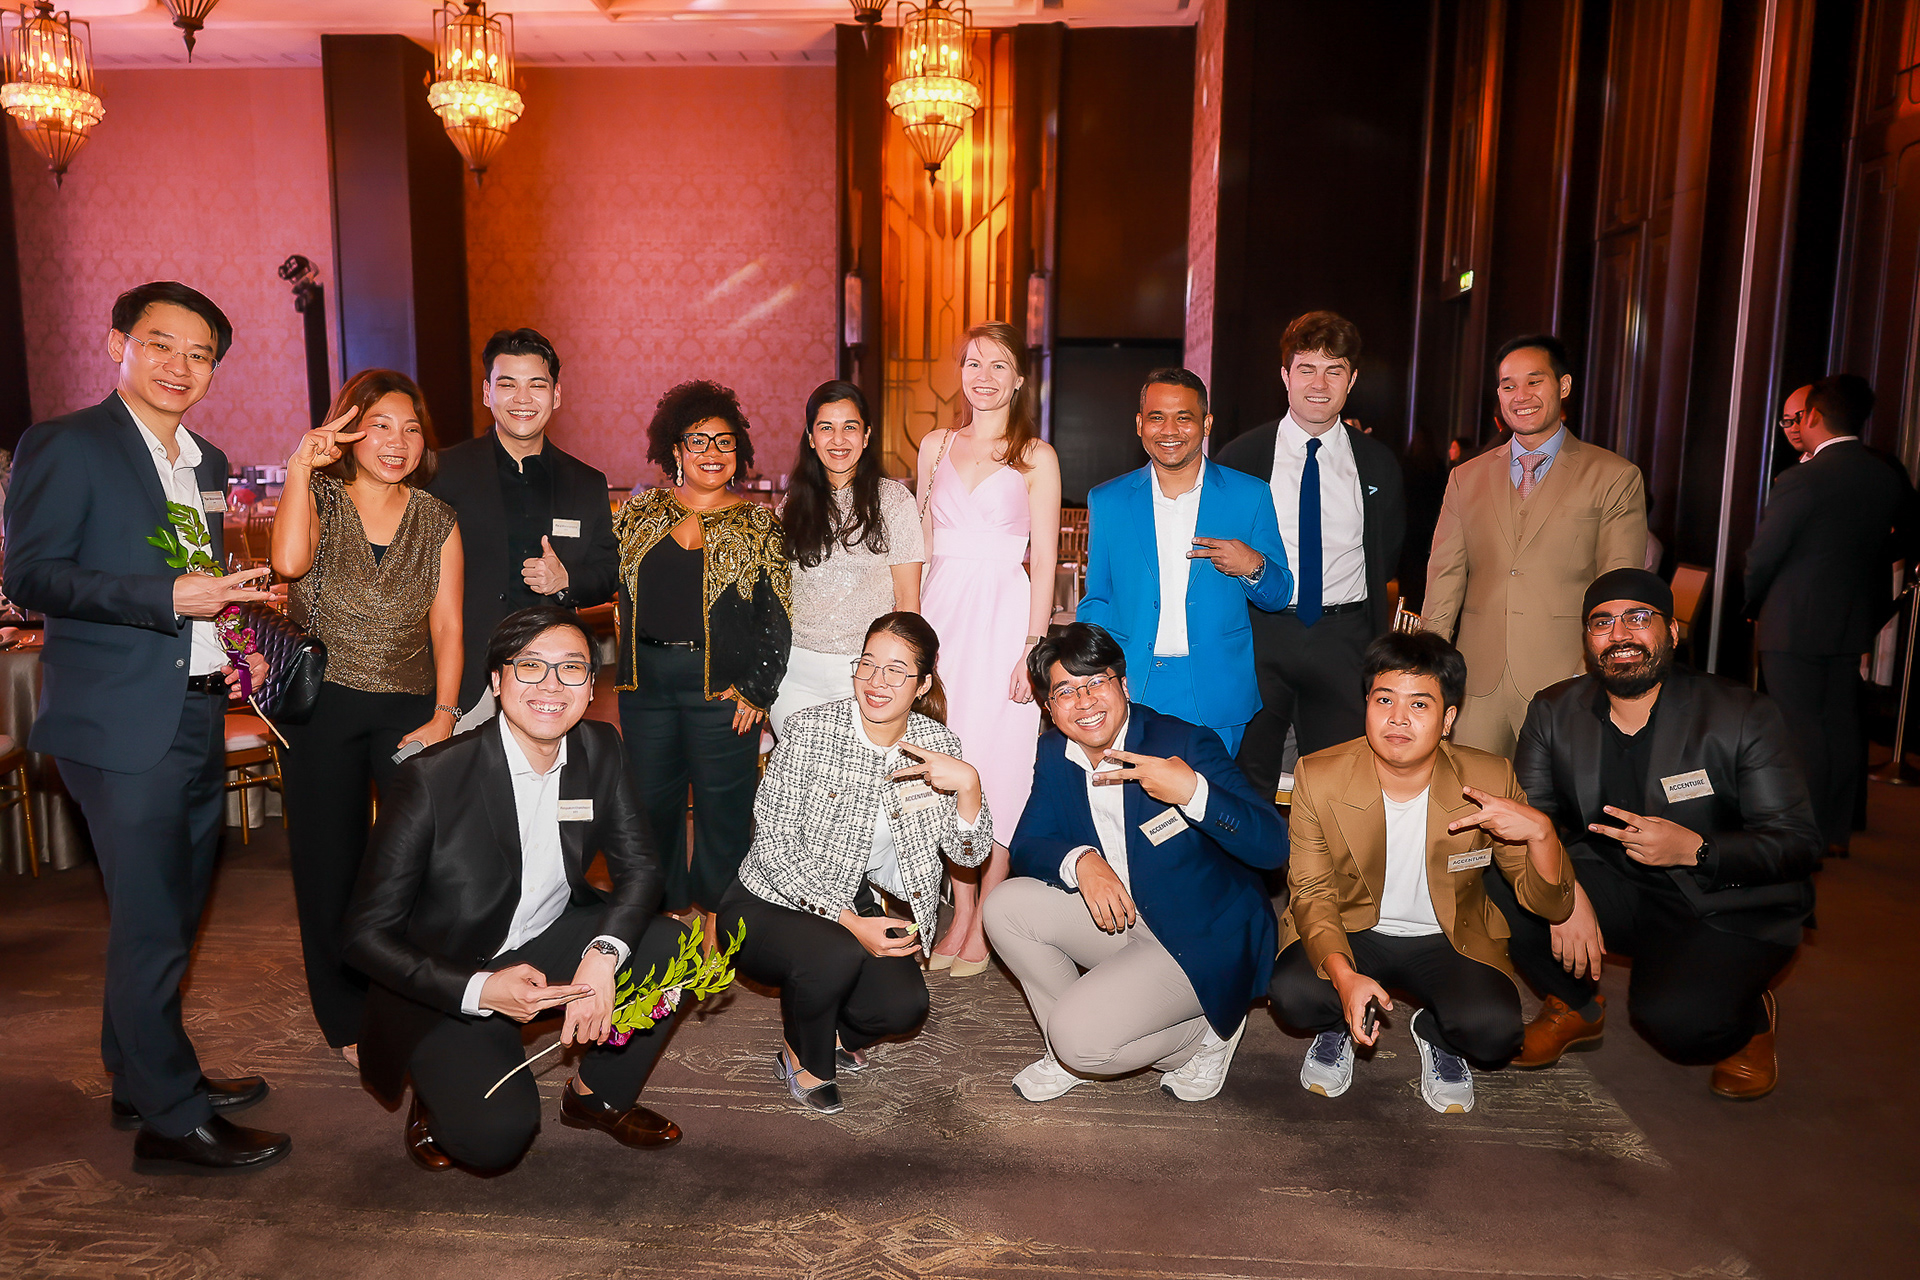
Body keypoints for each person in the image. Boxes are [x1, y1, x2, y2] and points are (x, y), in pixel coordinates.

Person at [3, 280, 287, 1173]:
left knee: (165, 909)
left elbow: (201, 582)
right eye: (161, 343)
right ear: (116, 343)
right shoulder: (67, 444)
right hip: (117, 721)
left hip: (196, 709)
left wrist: (234, 630)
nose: (179, 366)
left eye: (200, 354)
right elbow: (31, 575)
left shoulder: (207, 460)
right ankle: (172, 1119)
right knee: (154, 920)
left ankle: (138, 1073)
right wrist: (164, 597)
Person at [343, 607, 692, 1172]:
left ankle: (595, 1097)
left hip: (546, 935)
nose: (551, 686)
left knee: (671, 946)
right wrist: (481, 989)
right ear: (497, 681)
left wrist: (602, 955)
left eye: (571, 668)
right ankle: (434, 1090)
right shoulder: (431, 778)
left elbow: (641, 870)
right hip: (451, 970)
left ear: (590, 686)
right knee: (495, 1141)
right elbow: (363, 936)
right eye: (530, 666)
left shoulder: (600, 747)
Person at [1494, 569, 1822, 1099]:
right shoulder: (1554, 711)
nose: (1619, 634)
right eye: (1602, 622)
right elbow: (1534, 821)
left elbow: (1797, 843)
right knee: (1489, 875)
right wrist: (1562, 893)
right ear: (1587, 640)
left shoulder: (1741, 713)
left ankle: (1750, 1020)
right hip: (1612, 881)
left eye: (1638, 618)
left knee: (1676, 1025)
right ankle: (1574, 1005)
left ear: (1671, 631)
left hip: (1723, 899)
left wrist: (1696, 849)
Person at [1269, 630, 1574, 1115]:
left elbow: (1550, 905)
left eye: (1419, 704)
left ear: (1448, 718)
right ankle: (1339, 1021)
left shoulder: (1489, 778)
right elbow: (1310, 891)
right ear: (1366, 705)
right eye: (1384, 699)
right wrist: (1344, 978)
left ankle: (1435, 1032)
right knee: (1294, 994)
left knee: (1494, 1034)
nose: (1398, 718)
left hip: (1448, 936)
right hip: (1352, 928)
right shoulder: (1319, 775)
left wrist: (1542, 834)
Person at [988, 623, 1287, 1103]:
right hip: (1124, 915)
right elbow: (1028, 843)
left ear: (1123, 685)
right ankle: (1069, 1047)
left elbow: (1272, 846)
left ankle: (1210, 1033)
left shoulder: (1182, 743)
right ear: (1049, 708)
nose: (1084, 701)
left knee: (1080, 1041)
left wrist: (1193, 793)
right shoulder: (1055, 752)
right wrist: (1082, 861)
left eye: (1096, 682)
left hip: (1202, 935)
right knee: (1005, 906)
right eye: (1065, 691)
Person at [721, 612, 990, 1114]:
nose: (876, 681)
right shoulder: (810, 730)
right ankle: (804, 1059)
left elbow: (967, 855)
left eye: (896, 671)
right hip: (766, 899)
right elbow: (772, 848)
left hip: (852, 895)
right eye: (867, 664)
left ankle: (824, 1029)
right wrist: (849, 920)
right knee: (836, 951)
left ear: (923, 684)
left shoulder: (938, 745)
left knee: (904, 1007)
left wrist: (970, 786)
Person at [270, 370, 464, 1062]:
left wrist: (446, 714)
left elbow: (448, 626)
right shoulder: (319, 497)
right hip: (321, 705)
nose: (397, 441)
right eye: (380, 425)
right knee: (329, 863)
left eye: (410, 428)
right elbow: (287, 563)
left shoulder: (437, 518)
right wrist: (300, 467)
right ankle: (346, 1015)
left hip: (411, 708)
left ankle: (419, 994)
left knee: (423, 862)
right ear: (347, 431)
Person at [614, 380, 790, 932]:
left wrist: (758, 690)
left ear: (740, 452)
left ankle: (718, 915)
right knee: (652, 804)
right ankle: (665, 914)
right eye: (698, 440)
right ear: (676, 449)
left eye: (725, 441)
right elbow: (602, 577)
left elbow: (778, 617)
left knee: (725, 808)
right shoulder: (638, 515)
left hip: (724, 690)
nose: (712, 452)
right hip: (645, 686)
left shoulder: (760, 524)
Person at [1422, 334, 1648, 757]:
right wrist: (1428, 664)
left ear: (1563, 386)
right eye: (1508, 385)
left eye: (1533, 381)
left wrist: (1591, 673)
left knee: (1556, 796)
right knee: (1468, 792)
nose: (1520, 396)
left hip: (1567, 679)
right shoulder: (1465, 477)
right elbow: (1444, 577)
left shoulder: (1613, 476)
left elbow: (1618, 586)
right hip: (1477, 683)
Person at [917, 321, 1062, 975]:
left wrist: (1032, 649)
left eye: (998, 365)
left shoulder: (1036, 455)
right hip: (942, 620)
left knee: (1000, 768)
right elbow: (920, 548)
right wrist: (912, 638)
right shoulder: (935, 446)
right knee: (947, 764)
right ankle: (959, 908)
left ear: (1019, 379)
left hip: (1004, 620)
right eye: (973, 362)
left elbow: (1046, 559)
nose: (983, 376)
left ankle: (984, 920)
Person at [1217, 312, 1405, 795]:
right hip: (1259, 636)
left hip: (1344, 640)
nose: (1319, 385)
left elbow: (1388, 552)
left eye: (1334, 370)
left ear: (1352, 380)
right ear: (1285, 375)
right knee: (1246, 781)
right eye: (1306, 369)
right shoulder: (1240, 458)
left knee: (1341, 787)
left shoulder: (1377, 462)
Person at [1746, 375, 1920, 858]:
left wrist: (1752, 602)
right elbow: (1905, 536)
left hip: (1794, 619)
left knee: (1799, 727)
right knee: (1840, 724)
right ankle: (1835, 832)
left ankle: (1804, 833)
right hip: (1851, 618)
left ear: (1814, 417)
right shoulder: (1883, 474)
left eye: (1798, 417)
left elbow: (1764, 555)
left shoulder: (1801, 478)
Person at [1078, 369, 1292, 757]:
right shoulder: (1108, 501)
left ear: (1206, 424)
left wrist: (1252, 565)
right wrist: (1092, 676)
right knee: (1135, 796)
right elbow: (1098, 599)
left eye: (1184, 417)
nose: (1169, 430)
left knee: (1209, 795)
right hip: (1133, 685)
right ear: (1140, 424)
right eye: (1157, 417)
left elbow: (1279, 594)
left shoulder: (1249, 495)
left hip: (1217, 690)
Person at [428, 328, 620, 714]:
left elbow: (610, 570)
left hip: (551, 677)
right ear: (487, 393)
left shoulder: (585, 482)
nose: (522, 398)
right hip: (464, 678)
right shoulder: (443, 472)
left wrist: (567, 580)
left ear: (556, 395)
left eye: (536, 385)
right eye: (507, 384)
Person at [771, 380, 924, 736]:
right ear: (811, 437)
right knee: (801, 769)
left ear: (866, 435)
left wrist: (901, 675)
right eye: (826, 428)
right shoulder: (791, 505)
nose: (838, 440)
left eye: (849, 427)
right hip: (794, 676)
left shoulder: (894, 501)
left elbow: (908, 602)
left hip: (867, 677)